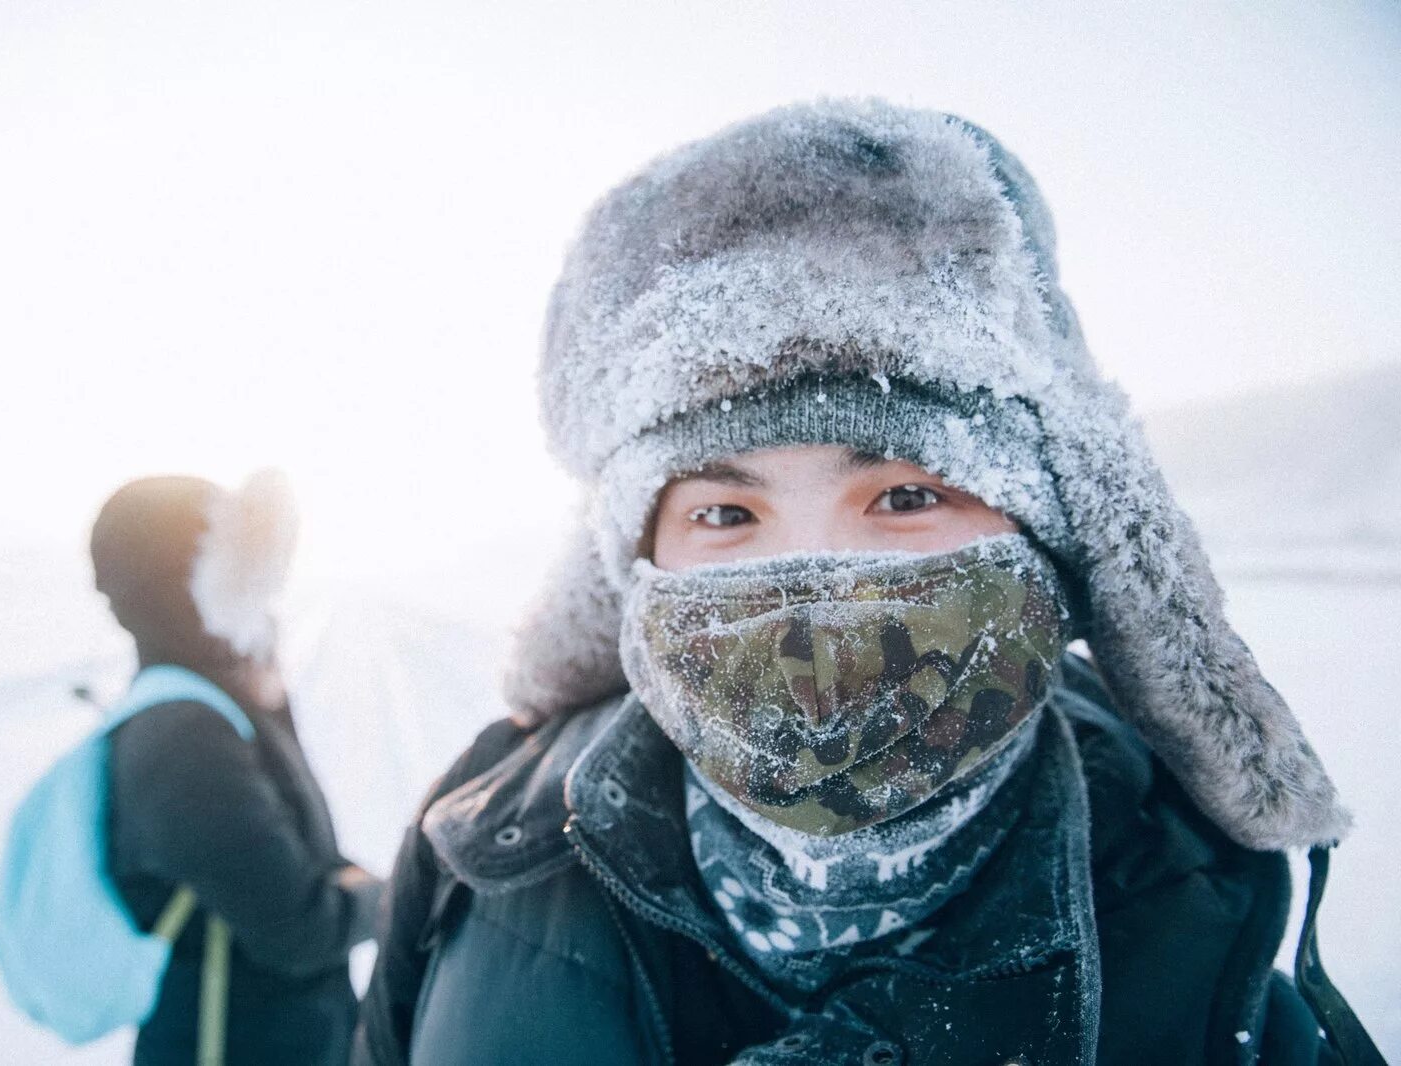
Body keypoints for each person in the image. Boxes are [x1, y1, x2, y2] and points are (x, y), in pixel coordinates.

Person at [352, 101, 1380, 1065]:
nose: (815, 588)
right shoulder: (476, 850)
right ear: (634, 566)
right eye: (724, 513)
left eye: (901, 496)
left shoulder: (1204, 955)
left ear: (1050, 534)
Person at [91, 470, 383, 1066]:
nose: (261, 593)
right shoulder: (184, 738)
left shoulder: (212, 705)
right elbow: (300, 930)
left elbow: (306, 854)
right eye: (239, 565)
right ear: (191, 582)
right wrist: (390, 895)